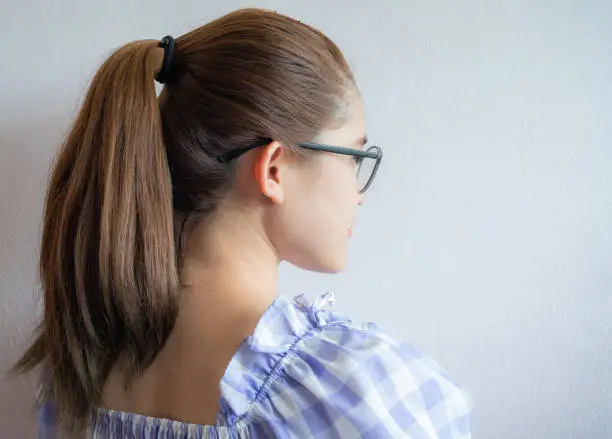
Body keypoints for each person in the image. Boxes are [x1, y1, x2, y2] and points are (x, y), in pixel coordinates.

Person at [13, 8, 472, 438]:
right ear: (274, 169)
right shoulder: (351, 391)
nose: (359, 192)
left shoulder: (74, 371)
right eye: (355, 155)